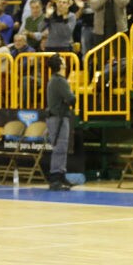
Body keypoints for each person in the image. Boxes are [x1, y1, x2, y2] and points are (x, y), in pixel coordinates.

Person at [45, 54, 75, 192]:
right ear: (60, 65)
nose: (65, 61)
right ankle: (55, 178)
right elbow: (71, 98)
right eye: (62, 60)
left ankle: (60, 174)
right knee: (60, 148)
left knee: (60, 147)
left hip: (55, 117)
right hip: (59, 118)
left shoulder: (54, 80)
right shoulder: (60, 81)